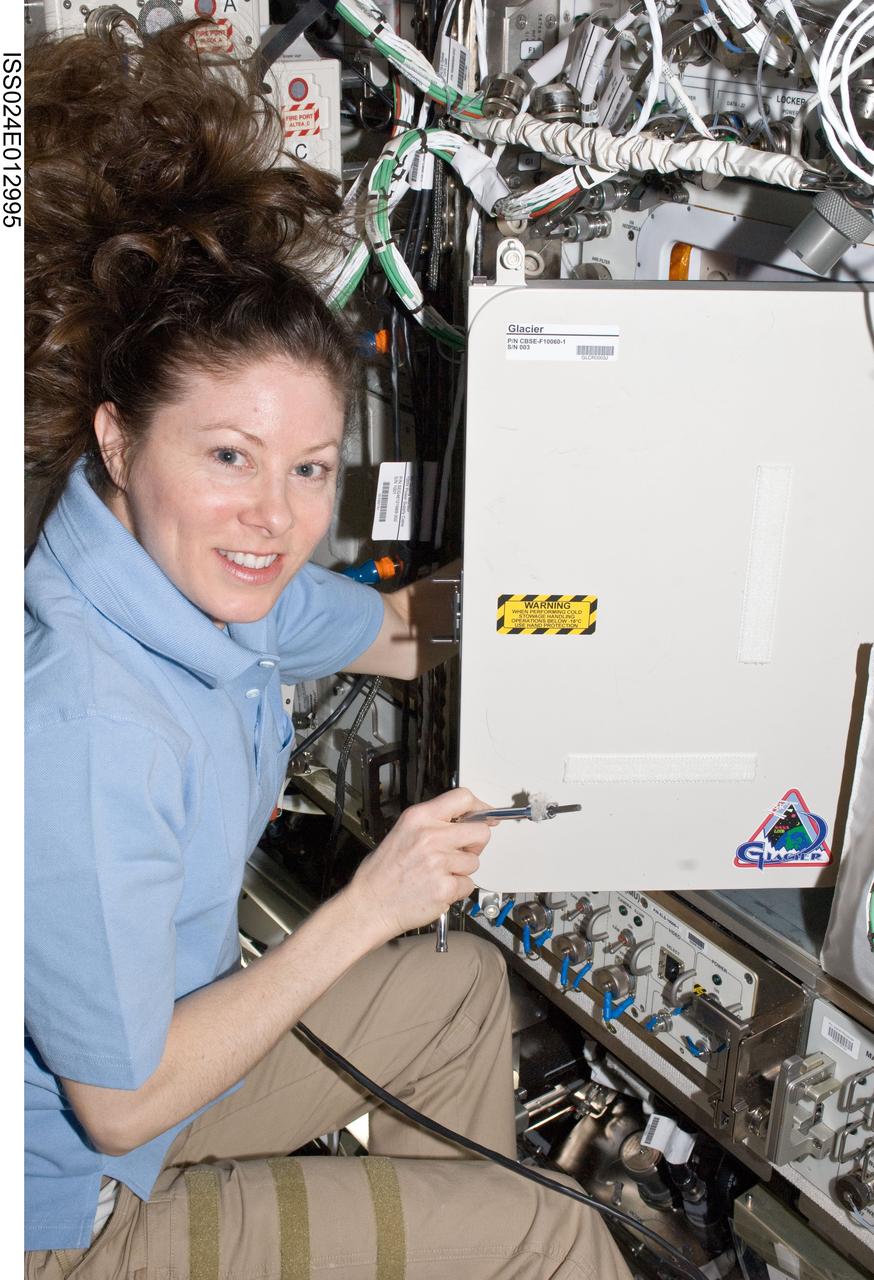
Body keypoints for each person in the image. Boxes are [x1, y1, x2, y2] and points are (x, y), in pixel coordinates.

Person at [24, 19, 633, 1280]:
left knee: (459, 989)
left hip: (148, 1102)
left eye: (309, 468)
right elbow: (119, 1104)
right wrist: (367, 906)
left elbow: (413, 630)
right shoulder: (86, 717)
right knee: (557, 1232)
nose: (276, 516)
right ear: (120, 442)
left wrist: (606, 602)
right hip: (70, 1210)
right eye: (229, 457)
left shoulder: (191, 583)